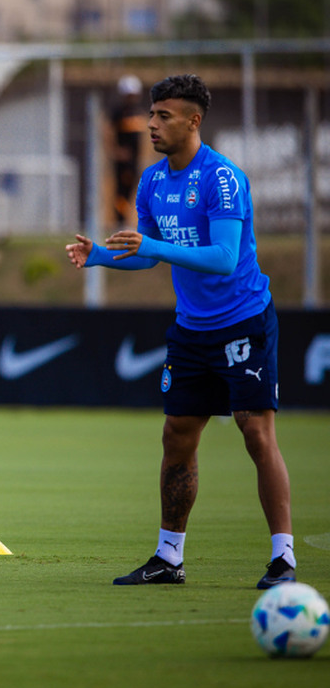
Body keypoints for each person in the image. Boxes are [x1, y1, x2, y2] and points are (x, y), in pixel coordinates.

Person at [66, 73, 295, 590]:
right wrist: (100, 256)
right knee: (176, 437)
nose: (151, 124)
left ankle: (283, 559)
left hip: (243, 323)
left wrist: (151, 247)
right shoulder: (151, 181)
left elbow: (222, 257)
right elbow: (146, 257)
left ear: (193, 121)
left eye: (163, 116)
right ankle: (169, 557)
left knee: (255, 432)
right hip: (191, 330)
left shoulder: (222, 178)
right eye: (151, 114)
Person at [107, 75, 147, 226]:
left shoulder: (139, 112)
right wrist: (116, 151)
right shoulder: (118, 113)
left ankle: (130, 221)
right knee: (121, 192)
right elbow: (108, 133)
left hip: (135, 160)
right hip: (124, 161)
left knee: (132, 192)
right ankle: (120, 221)